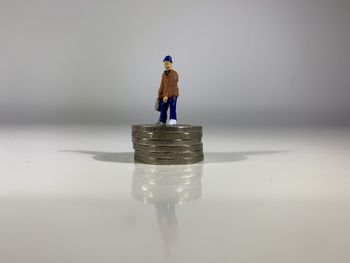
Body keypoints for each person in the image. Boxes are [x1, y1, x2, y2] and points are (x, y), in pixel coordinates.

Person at [155, 55, 179, 126]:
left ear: (171, 63)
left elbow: (172, 86)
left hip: (173, 94)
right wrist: (159, 94)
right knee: (163, 107)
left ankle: (173, 119)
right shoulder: (164, 74)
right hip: (165, 95)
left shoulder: (174, 74)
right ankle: (162, 120)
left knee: (172, 106)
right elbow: (162, 85)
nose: (166, 64)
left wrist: (167, 95)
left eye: (167, 63)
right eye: (165, 63)